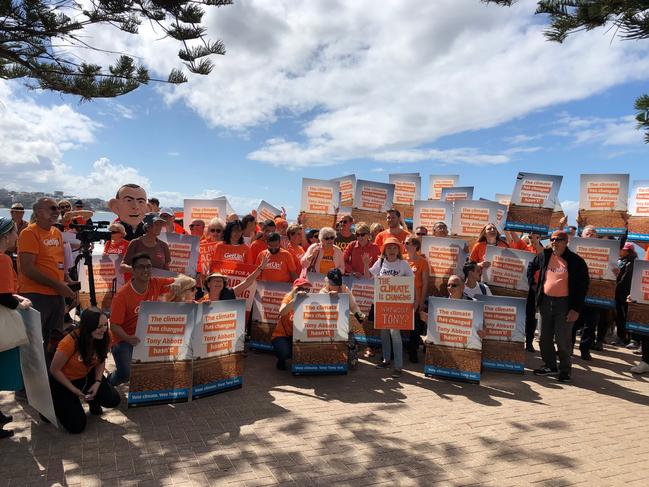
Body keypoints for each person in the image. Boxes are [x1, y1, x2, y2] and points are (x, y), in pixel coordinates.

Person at [108, 253, 195, 386]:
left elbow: (191, 280)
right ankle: (108, 382)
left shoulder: (156, 282)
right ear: (133, 271)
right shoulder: (122, 296)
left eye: (148, 266)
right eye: (141, 267)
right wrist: (128, 338)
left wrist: (178, 281)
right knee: (126, 374)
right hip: (124, 339)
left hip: (148, 336)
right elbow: (114, 326)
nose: (146, 270)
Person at [529, 230, 589, 382]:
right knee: (543, 338)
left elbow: (583, 286)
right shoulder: (545, 255)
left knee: (562, 340)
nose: (554, 242)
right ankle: (550, 365)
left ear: (566, 241)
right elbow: (531, 267)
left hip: (565, 304)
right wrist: (535, 286)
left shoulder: (576, 261)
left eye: (558, 239)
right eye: (552, 239)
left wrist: (576, 309)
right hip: (545, 302)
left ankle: (565, 370)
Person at [17, 197, 77, 350]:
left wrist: (66, 279)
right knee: (35, 343)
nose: (57, 211)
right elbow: (28, 269)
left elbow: (57, 261)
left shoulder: (56, 232)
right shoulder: (29, 233)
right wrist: (58, 285)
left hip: (56, 295)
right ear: (38, 211)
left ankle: (50, 372)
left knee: (54, 341)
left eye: (58, 208)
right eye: (52, 208)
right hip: (35, 295)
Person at [49, 309, 120, 434]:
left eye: (105, 325)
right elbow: (54, 370)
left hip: (86, 375)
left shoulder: (106, 336)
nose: (104, 329)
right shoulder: (69, 342)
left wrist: (97, 382)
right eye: (99, 326)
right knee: (76, 427)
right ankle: (52, 405)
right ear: (88, 327)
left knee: (113, 399)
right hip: (64, 381)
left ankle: (92, 400)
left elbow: (101, 360)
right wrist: (73, 390)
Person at [0, 217, 32, 439]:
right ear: (4, 236)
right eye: (13, 233)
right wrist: (20, 303)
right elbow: (2, 296)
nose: (16, 236)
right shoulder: (3, 260)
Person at [369, 236, 414, 378]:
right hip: (382, 303)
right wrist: (365, 264)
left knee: (395, 334)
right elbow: (369, 275)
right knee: (383, 333)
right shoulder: (380, 262)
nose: (392, 250)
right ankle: (386, 360)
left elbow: (411, 282)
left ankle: (398, 366)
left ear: (399, 250)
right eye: (389, 247)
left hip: (397, 305)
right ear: (384, 250)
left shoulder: (403, 264)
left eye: (395, 247)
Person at [273, 277, 313, 370]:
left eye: (307, 290)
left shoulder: (310, 301)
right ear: (295, 289)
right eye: (302, 289)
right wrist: (295, 299)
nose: (305, 292)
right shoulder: (288, 297)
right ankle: (281, 359)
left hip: (298, 336)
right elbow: (282, 312)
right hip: (282, 335)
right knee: (285, 353)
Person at [197, 254, 267, 302]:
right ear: (208, 284)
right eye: (215, 280)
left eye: (221, 281)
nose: (218, 283)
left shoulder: (229, 293)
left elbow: (247, 282)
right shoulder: (202, 301)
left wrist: (261, 268)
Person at [404, 235, 429, 363]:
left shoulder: (423, 262)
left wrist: (421, 302)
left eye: (407, 243)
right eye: (404, 243)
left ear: (415, 246)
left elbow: (425, 283)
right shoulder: (401, 259)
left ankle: (413, 352)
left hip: (417, 298)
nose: (405, 245)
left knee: (415, 328)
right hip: (402, 298)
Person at [613, 242, 637, 346]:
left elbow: (625, 279)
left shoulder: (631, 263)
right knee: (619, 316)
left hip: (625, 294)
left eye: (622, 249)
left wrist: (614, 286)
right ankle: (621, 337)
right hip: (618, 293)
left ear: (628, 251)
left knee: (624, 316)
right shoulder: (620, 261)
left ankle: (626, 339)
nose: (619, 251)